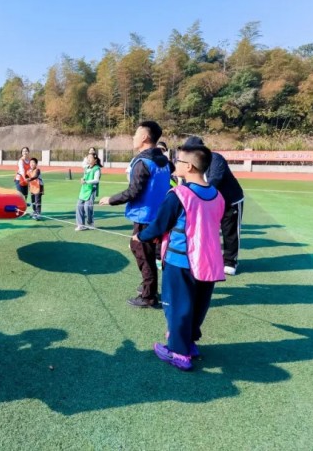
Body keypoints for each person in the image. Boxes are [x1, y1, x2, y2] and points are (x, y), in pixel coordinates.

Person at [132, 143, 225, 371]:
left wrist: (140, 236)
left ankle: (179, 352)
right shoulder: (217, 195)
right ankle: (189, 343)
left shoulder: (179, 195)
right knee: (197, 305)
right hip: (209, 261)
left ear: (190, 166)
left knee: (177, 307)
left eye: (179, 161)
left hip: (181, 261)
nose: (175, 164)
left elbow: (159, 225)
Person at [99, 121, 171, 308]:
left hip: (145, 217)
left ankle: (149, 296)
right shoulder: (164, 160)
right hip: (158, 215)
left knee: (143, 254)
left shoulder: (143, 162)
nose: (133, 137)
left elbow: (134, 191)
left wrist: (111, 199)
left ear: (145, 137)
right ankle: (149, 286)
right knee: (146, 252)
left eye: (136, 134)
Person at [183, 136, 245, 276]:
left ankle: (230, 261)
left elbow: (213, 180)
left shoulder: (215, 159)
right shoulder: (189, 163)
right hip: (211, 201)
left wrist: (195, 196)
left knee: (230, 231)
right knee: (207, 230)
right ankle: (209, 258)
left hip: (230, 200)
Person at [76, 153, 101, 230]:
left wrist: (86, 181)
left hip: (91, 190)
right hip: (84, 190)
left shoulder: (97, 169)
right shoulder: (86, 168)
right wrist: (82, 179)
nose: (88, 159)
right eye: (88, 158)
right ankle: (80, 225)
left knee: (87, 207)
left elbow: (96, 180)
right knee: (79, 206)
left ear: (95, 160)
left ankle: (90, 222)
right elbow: (84, 177)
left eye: (90, 158)